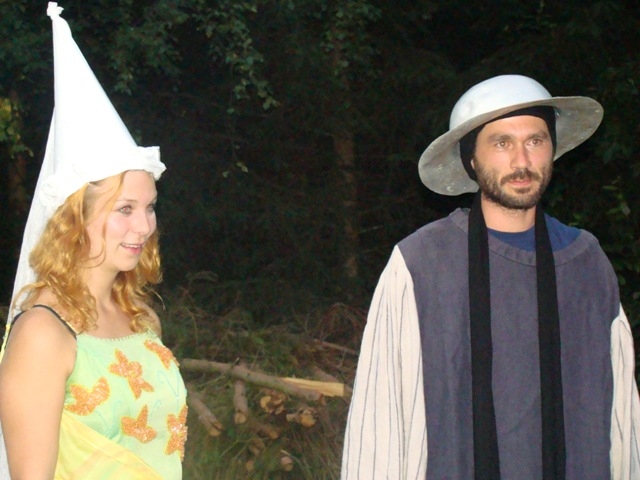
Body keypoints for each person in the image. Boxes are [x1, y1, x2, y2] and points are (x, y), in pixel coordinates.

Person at [341, 74, 640, 479]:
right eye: (501, 143)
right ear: (471, 158)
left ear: (552, 149)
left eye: (535, 140)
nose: (521, 161)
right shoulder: (423, 264)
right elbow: (381, 417)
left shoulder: (585, 263)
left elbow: (621, 415)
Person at [0, 3, 187, 479]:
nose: (144, 227)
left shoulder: (140, 318)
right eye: (124, 209)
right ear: (74, 219)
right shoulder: (43, 334)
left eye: (149, 207)